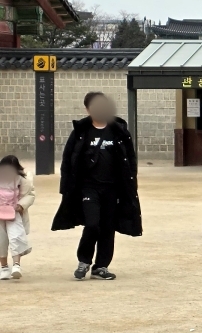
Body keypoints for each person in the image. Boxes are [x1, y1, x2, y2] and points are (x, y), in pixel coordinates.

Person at [52, 92, 142, 281]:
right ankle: (84, 260)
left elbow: (130, 159)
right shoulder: (81, 132)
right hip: (88, 187)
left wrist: (131, 184)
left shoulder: (118, 131)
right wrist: (66, 187)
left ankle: (101, 266)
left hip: (113, 188)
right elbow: (68, 160)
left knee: (108, 227)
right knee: (92, 224)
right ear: (88, 109)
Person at [0, 156, 34, 281]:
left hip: (14, 213)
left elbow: (30, 194)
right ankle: (3, 267)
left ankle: (16, 266)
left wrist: (21, 205)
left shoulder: (22, 179)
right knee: (1, 240)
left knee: (16, 237)